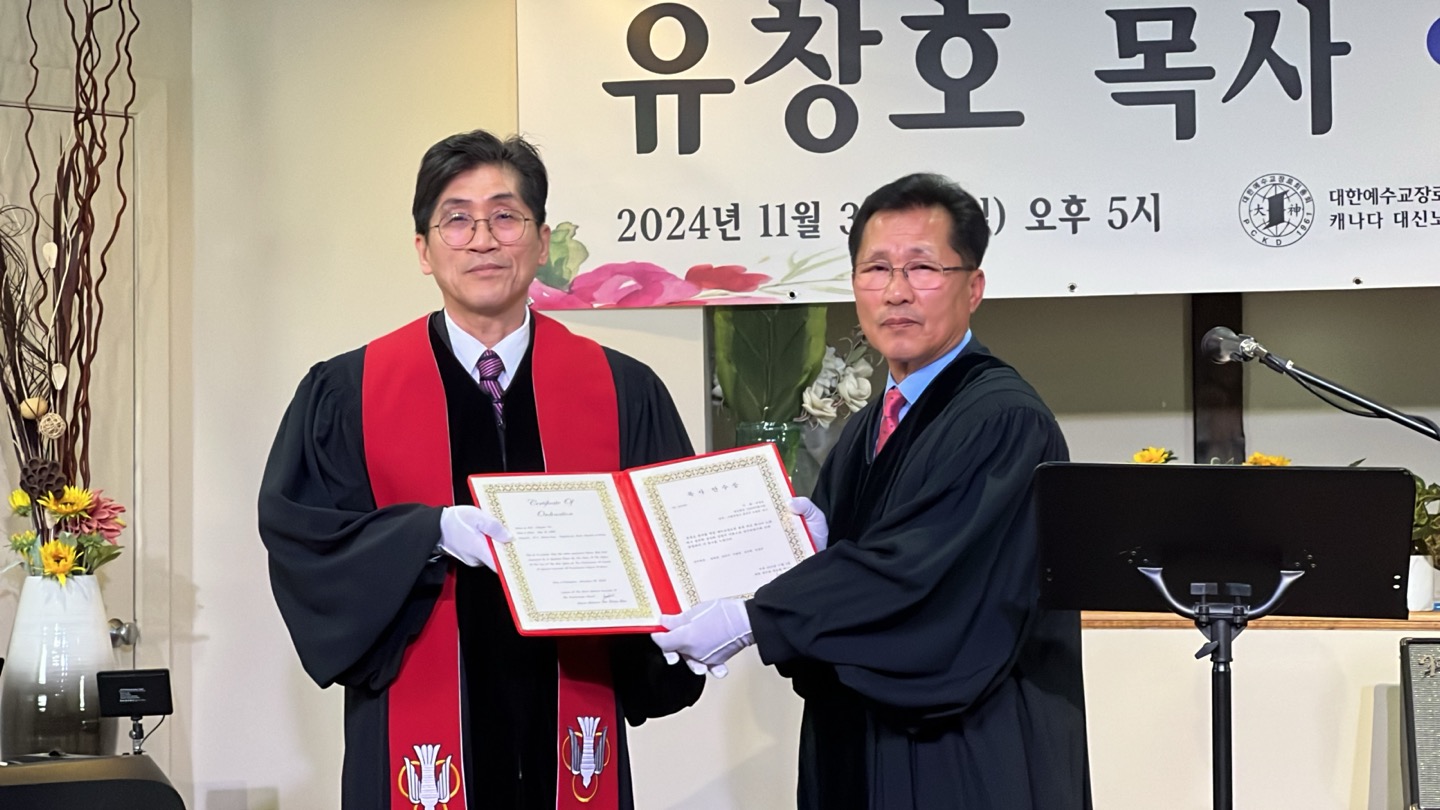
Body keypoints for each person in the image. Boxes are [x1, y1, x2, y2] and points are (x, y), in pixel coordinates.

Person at [259, 129, 703, 810]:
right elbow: (307, 538)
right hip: (419, 733)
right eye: (457, 220)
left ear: (542, 241)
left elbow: (675, 550)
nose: (483, 240)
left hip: (572, 722)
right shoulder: (349, 393)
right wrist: (426, 534)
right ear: (423, 249)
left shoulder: (622, 391)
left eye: (505, 217)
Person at [652, 173, 1091, 809]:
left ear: (973, 288)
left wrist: (755, 617)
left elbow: (912, 576)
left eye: (923, 267)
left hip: (963, 749)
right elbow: (854, 569)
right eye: (876, 268)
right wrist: (800, 548)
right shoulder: (870, 426)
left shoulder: (1002, 419)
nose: (896, 291)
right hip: (859, 740)